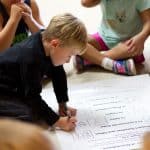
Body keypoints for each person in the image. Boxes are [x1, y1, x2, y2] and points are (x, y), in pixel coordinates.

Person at [0, 13, 88, 131]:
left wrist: (62, 104)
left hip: (17, 86)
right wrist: (57, 121)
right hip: (4, 91)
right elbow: (32, 96)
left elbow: (58, 74)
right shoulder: (31, 58)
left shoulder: (47, 41)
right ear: (55, 44)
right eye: (69, 55)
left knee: (36, 112)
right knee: (30, 117)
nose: (68, 61)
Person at [74, 0, 150, 75]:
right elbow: (85, 3)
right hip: (103, 37)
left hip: (128, 44)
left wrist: (141, 37)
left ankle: (90, 60)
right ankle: (115, 65)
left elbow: (148, 22)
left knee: (133, 50)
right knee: (75, 40)